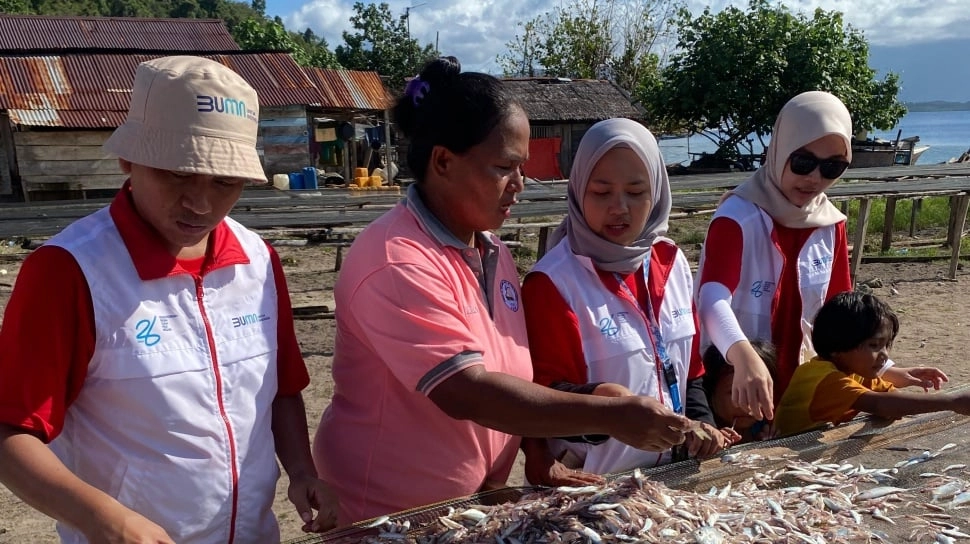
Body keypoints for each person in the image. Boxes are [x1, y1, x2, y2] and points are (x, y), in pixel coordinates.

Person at [312, 57, 695, 525]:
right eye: (504, 167)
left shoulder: (493, 253)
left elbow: (512, 375)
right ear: (444, 161)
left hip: (466, 509)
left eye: (522, 168)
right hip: (390, 514)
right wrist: (611, 415)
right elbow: (467, 392)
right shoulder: (397, 259)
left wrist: (532, 454)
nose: (520, 185)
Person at [0, 56, 337, 544]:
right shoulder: (70, 271)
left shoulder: (257, 261)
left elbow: (281, 387)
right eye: (177, 173)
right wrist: (103, 519)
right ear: (128, 158)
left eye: (224, 182)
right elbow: (11, 433)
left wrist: (302, 471)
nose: (200, 204)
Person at [520, 118, 740, 485]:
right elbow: (540, 398)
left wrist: (701, 424)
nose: (619, 207)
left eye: (636, 192)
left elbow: (691, 371)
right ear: (577, 191)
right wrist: (607, 406)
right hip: (590, 489)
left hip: (671, 481)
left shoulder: (672, 262)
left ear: (657, 192)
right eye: (601, 192)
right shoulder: (553, 283)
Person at [695, 91, 855, 423]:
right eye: (802, 162)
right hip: (736, 389)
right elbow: (710, 297)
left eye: (831, 167)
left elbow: (841, 316)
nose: (814, 178)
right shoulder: (737, 217)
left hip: (800, 389)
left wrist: (884, 366)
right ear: (778, 151)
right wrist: (742, 355)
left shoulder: (831, 224)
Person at [774, 291, 960, 436]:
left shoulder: (855, 370)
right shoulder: (825, 379)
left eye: (886, 345)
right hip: (778, 455)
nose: (884, 355)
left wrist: (893, 405)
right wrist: (953, 402)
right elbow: (881, 405)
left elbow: (889, 395)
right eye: (874, 345)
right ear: (836, 346)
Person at [702, 342, 778, 443]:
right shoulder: (699, 430)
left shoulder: (763, 428)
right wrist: (710, 444)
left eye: (756, 392)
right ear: (711, 393)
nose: (747, 404)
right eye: (735, 392)